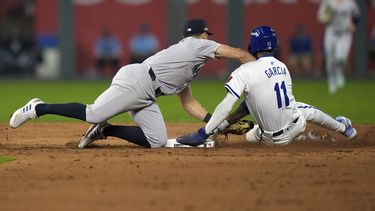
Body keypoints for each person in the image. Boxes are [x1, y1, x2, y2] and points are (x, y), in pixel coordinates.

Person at [9, 19, 255, 149]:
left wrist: (215, 122)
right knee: (94, 112)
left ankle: (105, 130)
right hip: (138, 81)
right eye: (206, 35)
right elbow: (238, 53)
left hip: (148, 93)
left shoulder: (188, 62)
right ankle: (37, 108)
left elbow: (188, 102)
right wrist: (259, 65)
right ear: (203, 34)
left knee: (156, 142)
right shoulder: (198, 45)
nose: (208, 39)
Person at [177, 26, 357, 147]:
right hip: (294, 126)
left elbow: (227, 105)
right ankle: (345, 129)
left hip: (267, 139)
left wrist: (206, 132)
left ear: (252, 45)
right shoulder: (283, 66)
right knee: (304, 109)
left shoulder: (244, 71)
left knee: (252, 129)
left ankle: (213, 134)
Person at [317, 0, 360, 94]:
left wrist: (354, 25)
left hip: (345, 33)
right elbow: (320, 17)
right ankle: (331, 82)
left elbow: (357, 14)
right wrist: (326, 18)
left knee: (341, 58)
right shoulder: (328, 2)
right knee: (330, 58)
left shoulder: (350, 2)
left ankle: (339, 72)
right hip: (331, 32)